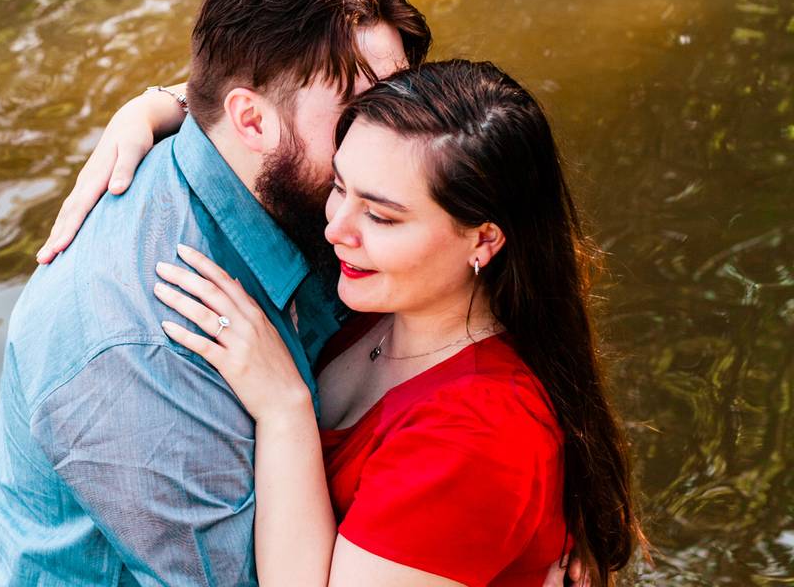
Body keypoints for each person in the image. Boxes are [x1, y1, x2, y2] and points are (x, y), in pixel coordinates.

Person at [0, 0, 431, 585]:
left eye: (400, 97)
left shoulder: (298, 171)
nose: (401, 138)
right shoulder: (141, 347)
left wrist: (162, 101)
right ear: (250, 120)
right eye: (363, 112)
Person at [151, 60, 644, 585]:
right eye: (339, 187)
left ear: (483, 239)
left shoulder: (477, 437)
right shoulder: (389, 294)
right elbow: (281, 97)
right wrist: (159, 109)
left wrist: (283, 409)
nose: (336, 228)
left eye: (381, 217)